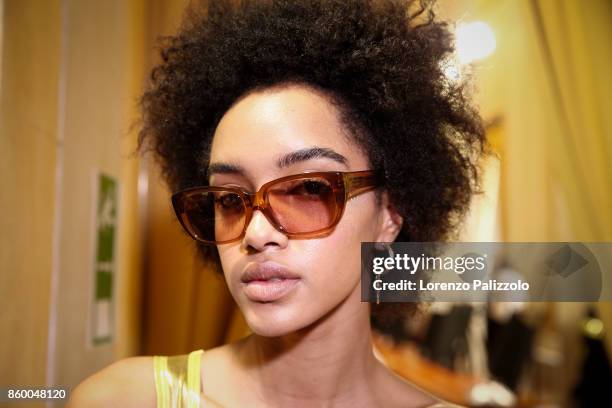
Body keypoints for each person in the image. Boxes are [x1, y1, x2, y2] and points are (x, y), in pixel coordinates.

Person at [68, 0, 487, 406]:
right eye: (230, 199)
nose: (255, 233)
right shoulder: (124, 399)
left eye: (308, 189)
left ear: (390, 217)